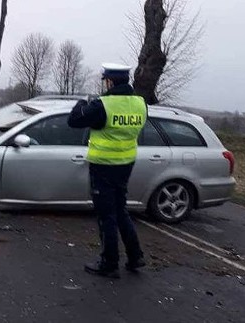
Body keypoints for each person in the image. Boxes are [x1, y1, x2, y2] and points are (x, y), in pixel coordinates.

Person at [68, 63, 147, 278]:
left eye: (105, 81)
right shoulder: (140, 104)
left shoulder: (103, 105)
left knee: (106, 216)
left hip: (103, 166)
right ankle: (135, 256)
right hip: (126, 164)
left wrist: (80, 104)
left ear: (110, 81)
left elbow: (74, 121)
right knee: (120, 210)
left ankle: (109, 263)